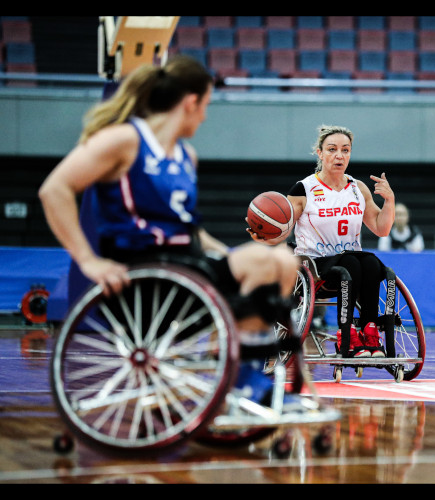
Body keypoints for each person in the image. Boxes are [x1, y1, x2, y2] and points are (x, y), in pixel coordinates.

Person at [38, 55, 303, 411]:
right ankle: (237, 374)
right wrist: (87, 260)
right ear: (190, 102)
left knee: (281, 261)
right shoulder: (124, 140)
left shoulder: (185, 155)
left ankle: (245, 380)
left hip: (187, 266)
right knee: (264, 264)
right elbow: (54, 189)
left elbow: (191, 229)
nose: (206, 116)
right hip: (144, 270)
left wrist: (235, 258)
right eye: (206, 105)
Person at [249, 124, 395, 358]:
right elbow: (284, 228)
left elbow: (381, 228)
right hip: (314, 264)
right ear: (320, 153)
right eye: (332, 149)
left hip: (350, 260)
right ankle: (346, 336)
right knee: (353, 264)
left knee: (372, 264)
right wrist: (265, 237)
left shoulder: (358, 189)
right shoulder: (304, 189)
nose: (339, 155)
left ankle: (369, 332)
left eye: (345, 150)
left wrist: (389, 201)